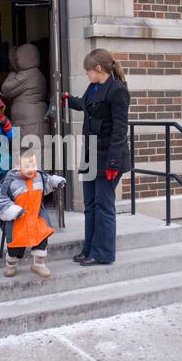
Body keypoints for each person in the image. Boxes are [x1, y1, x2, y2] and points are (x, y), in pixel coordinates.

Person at [64, 49, 131, 266]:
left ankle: (103, 253)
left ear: (98, 69)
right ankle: (89, 249)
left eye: (88, 71)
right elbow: (84, 106)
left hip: (108, 158)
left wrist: (113, 162)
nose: (86, 75)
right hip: (90, 154)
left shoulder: (118, 90)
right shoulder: (93, 87)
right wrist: (66, 99)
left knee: (104, 206)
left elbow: (120, 129)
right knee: (90, 204)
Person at [0, 149, 66, 278]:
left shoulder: (39, 177)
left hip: (37, 217)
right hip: (18, 221)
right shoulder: (10, 182)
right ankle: (11, 265)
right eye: (27, 166)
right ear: (17, 166)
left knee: (41, 240)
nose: (31, 169)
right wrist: (12, 210)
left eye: (34, 165)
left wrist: (55, 182)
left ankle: (38, 265)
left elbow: (47, 182)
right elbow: (0, 200)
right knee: (16, 248)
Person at [1, 44, 50, 164]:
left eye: (18, 58)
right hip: (34, 121)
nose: (17, 61)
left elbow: (6, 89)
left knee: (26, 155)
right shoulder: (37, 73)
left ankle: (31, 182)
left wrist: (12, 73)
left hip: (28, 124)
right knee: (38, 153)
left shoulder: (27, 75)